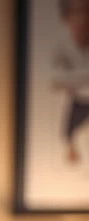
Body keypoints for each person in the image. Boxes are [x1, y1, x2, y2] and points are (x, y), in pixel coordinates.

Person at [53, 0, 89, 163]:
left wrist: (73, 79)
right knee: (69, 133)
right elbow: (54, 80)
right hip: (79, 101)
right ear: (66, 17)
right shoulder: (61, 46)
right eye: (78, 12)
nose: (84, 17)